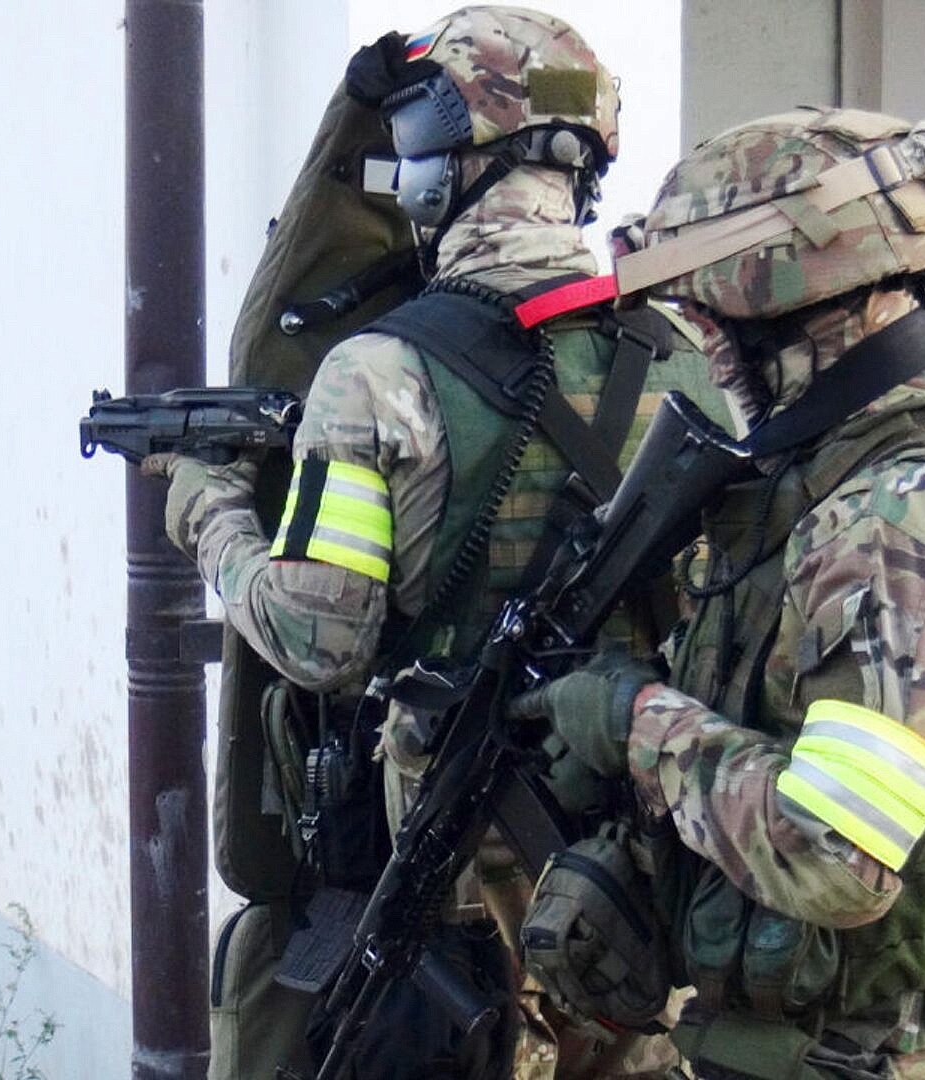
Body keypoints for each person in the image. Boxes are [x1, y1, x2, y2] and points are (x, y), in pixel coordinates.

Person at [147, 7, 722, 1078]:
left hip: (457, 900)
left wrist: (208, 515)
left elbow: (320, 641)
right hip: (646, 885)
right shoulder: (689, 353)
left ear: (431, 165)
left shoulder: (376, 374)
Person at [512, 108, 925, 1079]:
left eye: (708, 324)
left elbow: (836, 857)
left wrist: (637, 723)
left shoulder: (900, 519)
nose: (706, 355)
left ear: (785, 311)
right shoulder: (911, 458)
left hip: (873, 1052)